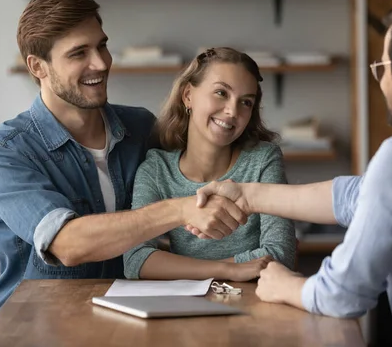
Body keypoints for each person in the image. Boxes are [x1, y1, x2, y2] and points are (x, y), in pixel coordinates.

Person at [191, 0, 392, 346]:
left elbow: (341, 295)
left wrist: (284, 284)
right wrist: (246, 195)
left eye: (382, 67)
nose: (381, 81)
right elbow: (357, 196)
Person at [0, 0, 247, 322]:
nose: (102, 63)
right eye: (79, 53)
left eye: (102, 46)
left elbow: (200, 176)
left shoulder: (142, 127)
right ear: (38, 66)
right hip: (33, 326)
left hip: (128, 319)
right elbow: (67, 244)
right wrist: (179, 209)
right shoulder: (3, 152)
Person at [123, 47, 297, 281]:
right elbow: (135, 261)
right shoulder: (156, 170)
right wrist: (226, 270)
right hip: (183, 304)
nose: (232, 111)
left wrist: (183, 268)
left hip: (254, 302)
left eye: (246, 102)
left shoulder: (263, 159)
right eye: (221, 93)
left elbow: (280, 253)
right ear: (188, 96)